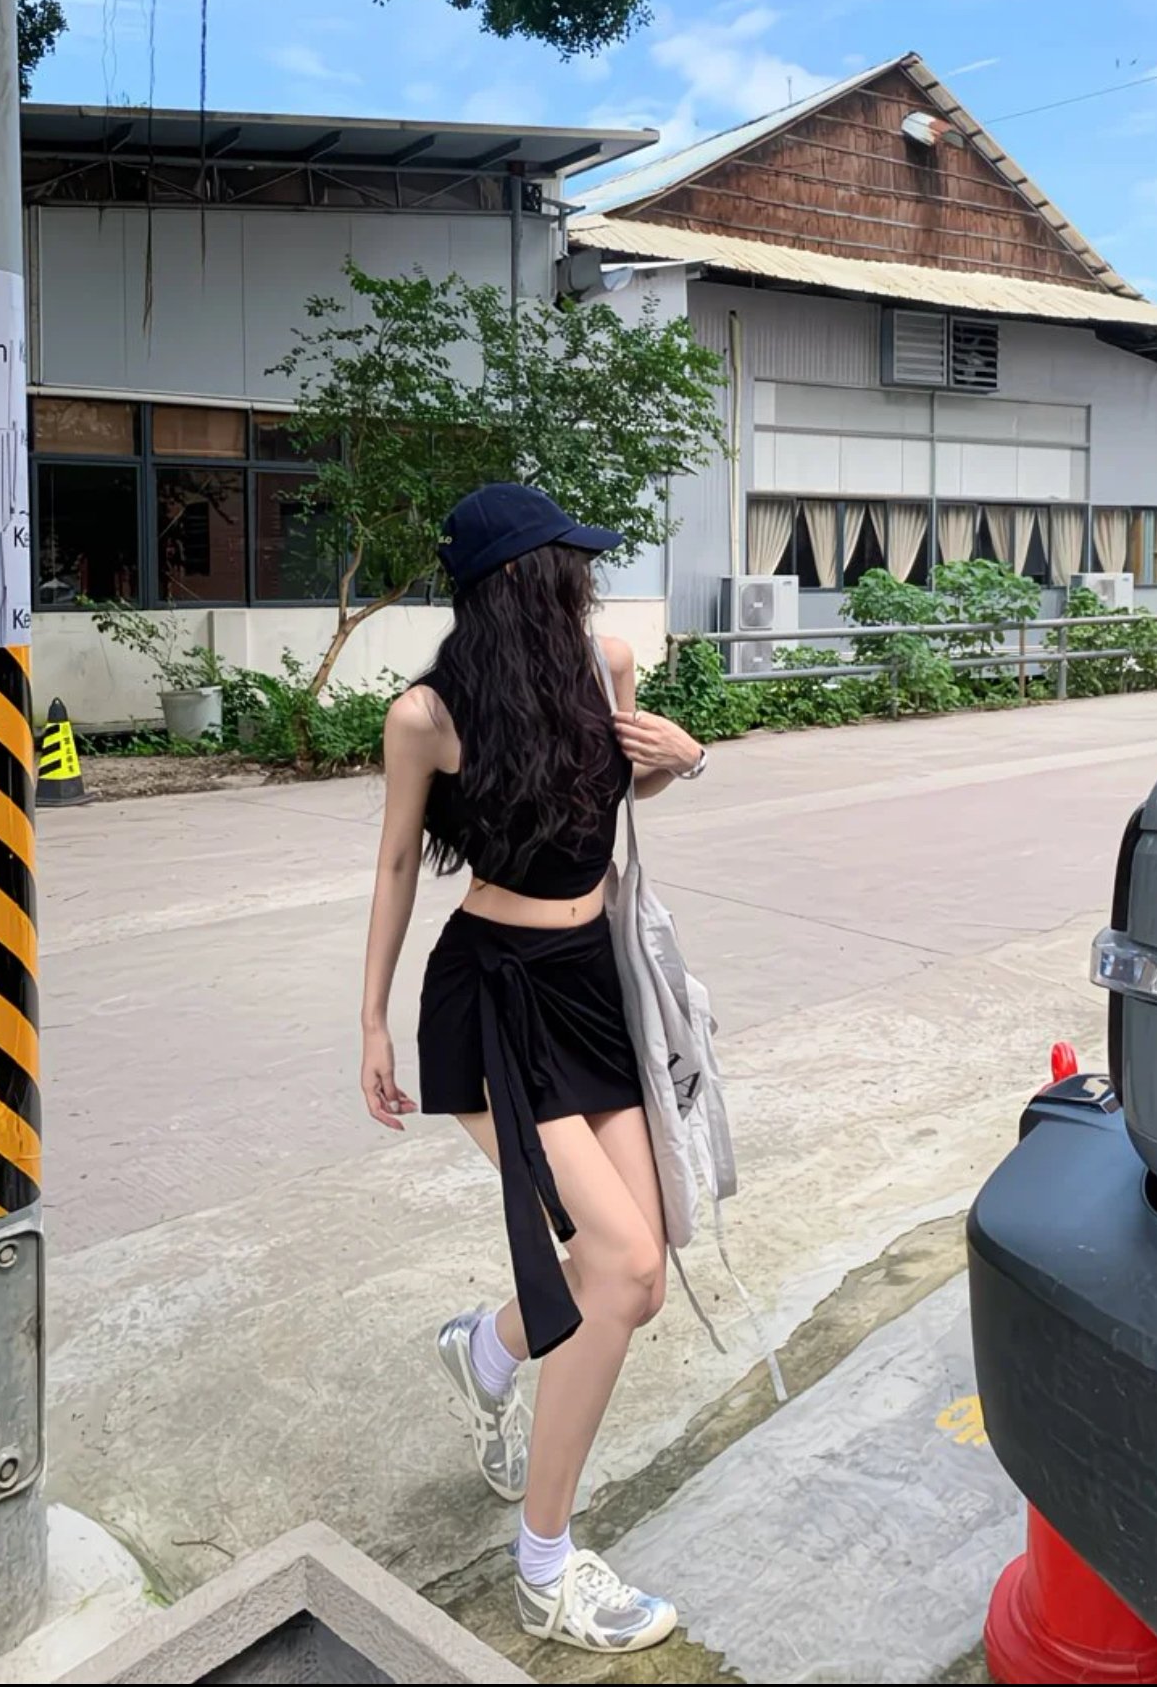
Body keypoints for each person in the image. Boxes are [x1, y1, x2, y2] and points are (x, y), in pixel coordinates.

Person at [359, 483, 706, 1655]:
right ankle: (545, 1567)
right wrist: (371, 1023)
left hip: (592, 987)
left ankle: (489, 1347)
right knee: (621, 1262)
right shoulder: (427, 715)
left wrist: (679, 759)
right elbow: (397, 864)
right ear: (517, 576)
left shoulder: (605, 664)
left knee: (636, 1279)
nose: (586, 579)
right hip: (494, 1000)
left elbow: (608, 786)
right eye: (568, 560)